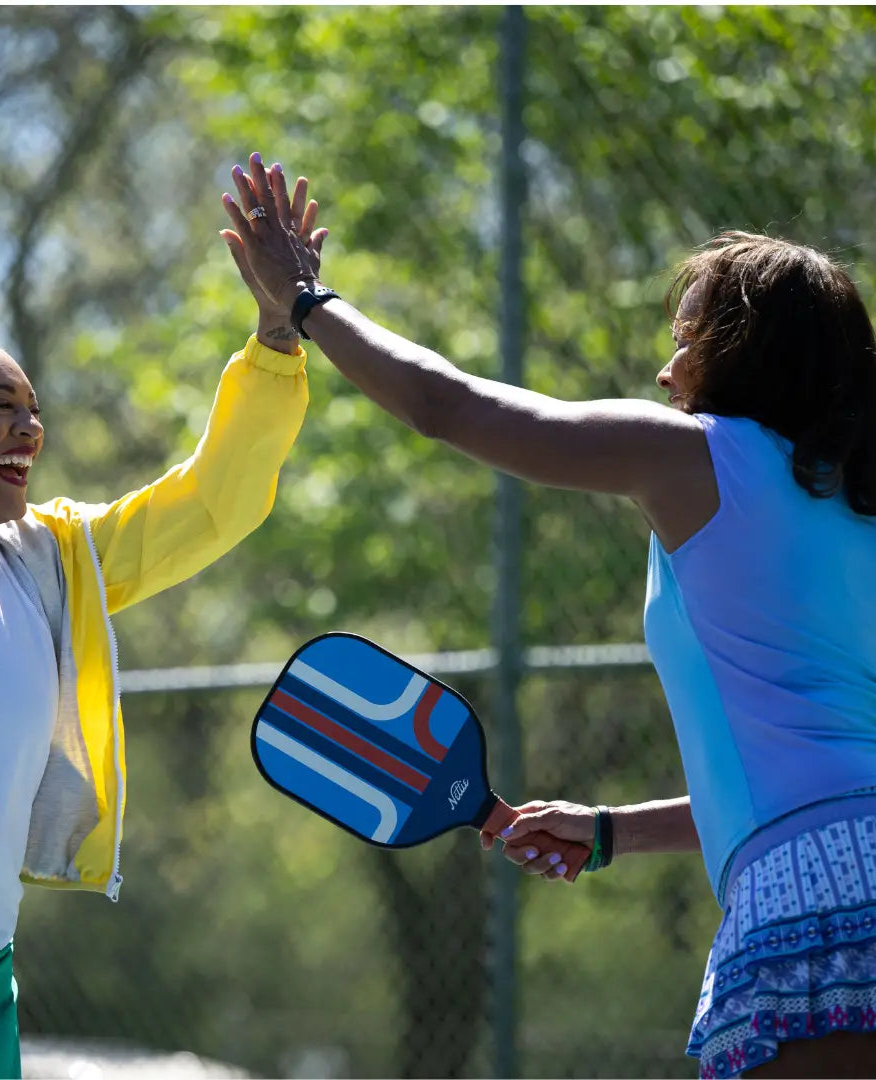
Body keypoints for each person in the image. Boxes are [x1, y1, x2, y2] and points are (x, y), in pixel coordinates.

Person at [220, 152, 876, 1078]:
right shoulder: (858, 505)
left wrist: (307, 304)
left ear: (741, 350)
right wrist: (613, 830)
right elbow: (813, 775)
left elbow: (451, 406)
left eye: (686, 338)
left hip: (814, 899)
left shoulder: (695, 459)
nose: (663, 369)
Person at [0, 178, 323, 1079]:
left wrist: (280, 333)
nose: (31, 428)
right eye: (1, 406)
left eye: (34, 407)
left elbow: (212, 501)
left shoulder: (54, 565)